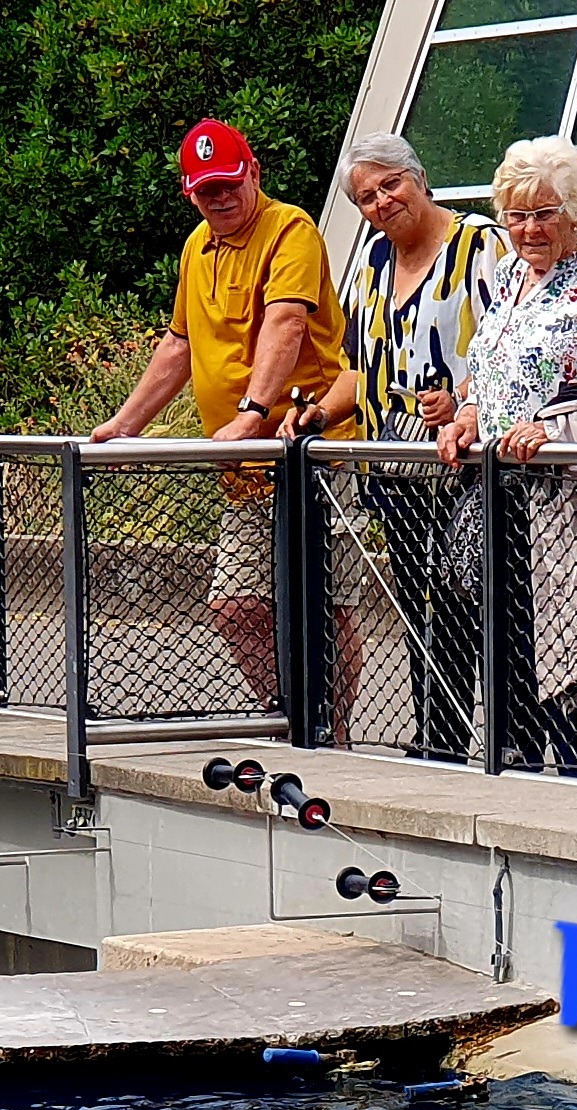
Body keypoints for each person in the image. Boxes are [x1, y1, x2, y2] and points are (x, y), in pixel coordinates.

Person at [93, 118, 364, 726]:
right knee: (235, 604)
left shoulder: (289, 228)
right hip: (242, 467)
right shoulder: (197, 245)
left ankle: (332, 726)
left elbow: (287, 323)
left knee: (323, 602)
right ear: (191, 193)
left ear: (253, 175)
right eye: (205, 189)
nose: (219, 197)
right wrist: (125, 422)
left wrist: (250, 413)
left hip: (309, 454)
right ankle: (290, 710)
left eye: (228, 184)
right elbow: (178, 344)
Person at [434, 136, 577, 782]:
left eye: (543, 212)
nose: (529, 228)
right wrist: (470, 412)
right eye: (516, 214)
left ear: (573, 210)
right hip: (503, 489)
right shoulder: (507, 275)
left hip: (572, 494)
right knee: (511, 642)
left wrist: (556, 426)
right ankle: (517, 773)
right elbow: (488, 370)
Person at [286, 133, 509, 764]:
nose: (382, 203)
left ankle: (500, 742)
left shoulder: (481, 245)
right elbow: (360, 369)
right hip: (395, 474)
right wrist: (317, 414)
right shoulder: (371, 262)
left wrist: (468, 399)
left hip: (468, 468)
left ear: (420, 179)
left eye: (391, 185)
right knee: (417, 608)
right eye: (366, 197)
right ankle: (437, 737)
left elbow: (513, 342)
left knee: (477, 605)